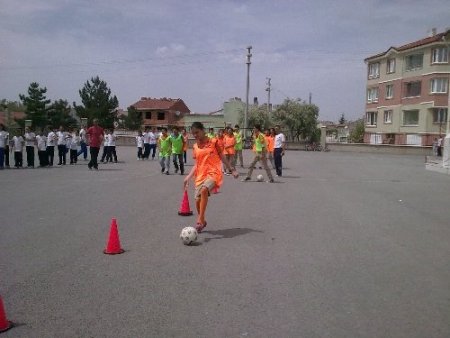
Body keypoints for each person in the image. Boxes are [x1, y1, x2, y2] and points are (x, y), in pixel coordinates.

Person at [184, 122, 239, 232]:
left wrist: (232, 170)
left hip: (214, 172)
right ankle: (203, 221)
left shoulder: (214, 142)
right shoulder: (195, 146)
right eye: (193, 133)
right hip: (200, 175)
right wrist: (188, 177)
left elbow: (222, 156)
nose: (195, 135)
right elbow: (197, 164)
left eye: (197, 132)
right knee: (197, 200)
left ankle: (199, 220)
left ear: (203, 130)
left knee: (204, 190)